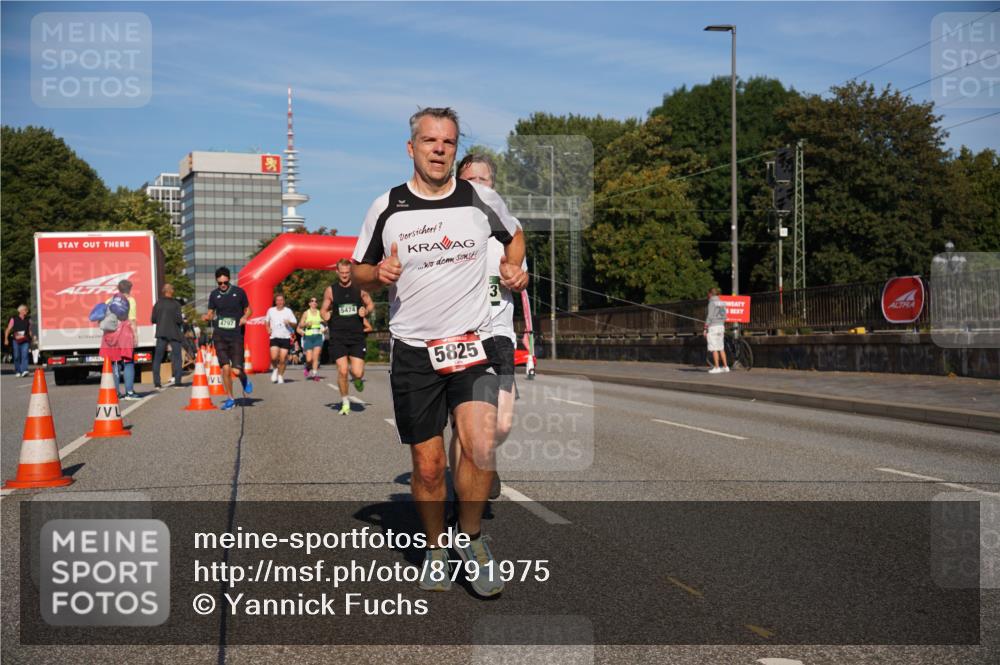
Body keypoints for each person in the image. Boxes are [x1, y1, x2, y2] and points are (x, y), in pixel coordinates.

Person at [351, 107, 527, 596]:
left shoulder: (479, 199)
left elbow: (515, 235)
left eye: (448, 142)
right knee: (429, 467)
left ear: (454, 149)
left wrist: (513, 268)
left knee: (480, 445)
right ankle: (434, 548)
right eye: (430, 141)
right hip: (414, 350)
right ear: (412, 148)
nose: (439, 149)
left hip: (472, 342)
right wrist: (377, 274)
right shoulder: (387, 207)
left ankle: (470, 539)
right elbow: (358, 268)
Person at [453, 152, 526, 500]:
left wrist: (517, 277)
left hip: (499, 335)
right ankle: (462, 500)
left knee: (502, 423)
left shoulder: (508, 229)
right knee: (465, 425)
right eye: (471, 180)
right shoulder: (446, 226)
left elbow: (519, 277)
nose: (479, 186)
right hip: (459, 335)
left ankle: (486, 460)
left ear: (493, 185)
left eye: (484, 180)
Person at [321, 258, 375, 415]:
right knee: (343, 370)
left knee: (357, 372)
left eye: (347, 272)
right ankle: (345, 402)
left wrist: (366, 311)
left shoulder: (360, 288)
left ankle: (357, 379)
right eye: (342, 273)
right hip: (338, 336)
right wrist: (325, 315)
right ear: (337, 272)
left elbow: (370, 304)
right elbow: (323, 309)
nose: (344, 275)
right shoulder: (331, 290)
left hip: (357, 337)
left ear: (350, 272)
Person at [203, 267, 253, 410]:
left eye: (225, 282)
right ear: (216, 281)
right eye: (220, 283)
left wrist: (245, 317)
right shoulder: (214, 295)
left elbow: (249, 310)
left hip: (236, 335)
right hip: (220, 335)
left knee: (236, 370)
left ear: (229, 279)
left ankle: (244, 378)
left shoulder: (239, 292)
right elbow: (211, 313)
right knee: (225, 368)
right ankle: (230, 399)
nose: (223, 285)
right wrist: (207, 317)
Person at [101, 280, 140, 399]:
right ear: (130, 289)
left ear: (118, 289)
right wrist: (135, 336)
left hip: (110, 336)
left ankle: (116, 393)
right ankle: (129, 392)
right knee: (128, 362)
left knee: (114, 364)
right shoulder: (130, 300)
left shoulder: (109, 300)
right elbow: (132, 320)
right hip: (124, 335)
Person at [151, 283, 185, 388]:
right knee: (177, 357)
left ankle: (157, 383)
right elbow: (179, 320)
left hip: (161, 332)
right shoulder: (176, 304)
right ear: (171, 291)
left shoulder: (158, 304)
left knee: (158, 358)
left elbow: (153, 319)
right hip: (174, 333)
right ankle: (178, 382)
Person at [265, 293, 298, 384]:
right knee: (274, 357)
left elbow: (295, 323)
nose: (279, 302)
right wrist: (268, 328)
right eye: (278, 300)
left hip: (285, 337)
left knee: (283, 359)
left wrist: (289, 322)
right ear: (275, 302)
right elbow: (266, 321)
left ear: (284, 301)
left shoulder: (288, 311)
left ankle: (280, 376)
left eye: (281, 300)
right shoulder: (271, 310)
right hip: (274, 337)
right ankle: (275, 369)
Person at [297, 297, 325, 379]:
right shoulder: (306, 313)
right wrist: (306, 324)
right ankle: (308, 367)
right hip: (308, 337)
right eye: (312, 301)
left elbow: (325, 323)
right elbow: (300, 325)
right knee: (309, 359)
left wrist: (325, 328)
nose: (314, 302)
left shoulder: (320, 313)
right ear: (309, 303)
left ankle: (315, 374)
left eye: (316, 301)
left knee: (316, 356)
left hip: (318, 336)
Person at [705, 287, 729, 374]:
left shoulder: (711, 302)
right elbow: (725, 316)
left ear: (710, 294)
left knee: (714, 348)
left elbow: (710, 316)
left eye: (708, 293)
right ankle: (726, 367)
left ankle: (717, 367)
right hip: (721, 326)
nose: (708, 295)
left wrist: (705, 327)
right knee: (721, 347)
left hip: (713, 327)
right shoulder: (722, 302)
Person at [5, 304, 32, 377]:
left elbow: (30, 331)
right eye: (26, 310)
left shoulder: (29, 320)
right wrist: (6, 339)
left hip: (25, 341)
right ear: (21, 311)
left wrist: (33, 339)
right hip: (16, 341)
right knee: (16, 356)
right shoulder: (13, 319)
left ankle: (24, 370)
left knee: (25, 355)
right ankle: (18, 371)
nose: (27, 311)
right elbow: (8, 329)